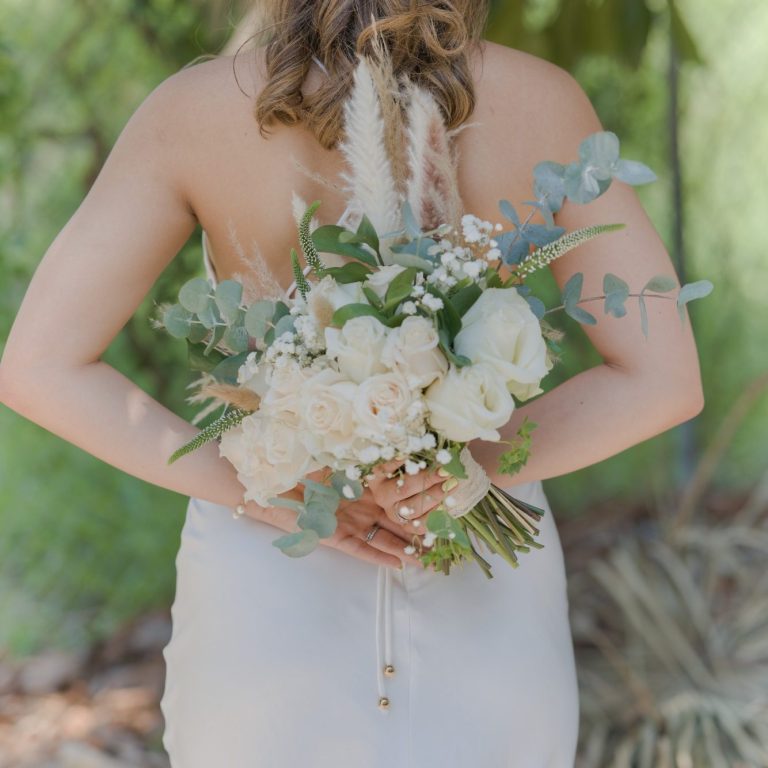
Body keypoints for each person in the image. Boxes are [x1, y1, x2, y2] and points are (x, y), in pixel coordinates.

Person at [0, 1, 705, 765]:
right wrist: (457, 470)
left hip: (267, 592)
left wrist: (264, 484)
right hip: (476, 567)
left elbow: (40, 365)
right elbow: (662, 377)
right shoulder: (541, 101)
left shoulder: (192, 112)